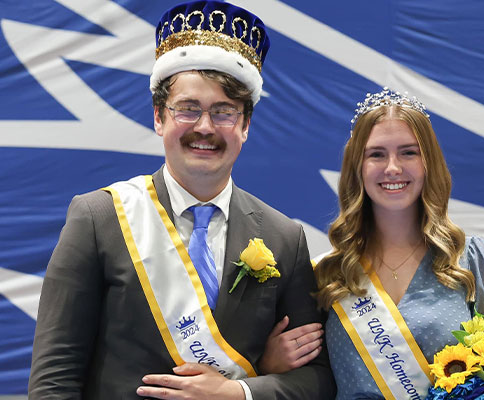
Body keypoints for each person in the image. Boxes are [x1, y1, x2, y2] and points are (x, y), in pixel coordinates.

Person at [28, 1, 335, 399]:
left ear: (245, 125)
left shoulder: (283, 238)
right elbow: (55, 377)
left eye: (224, 112)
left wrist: (238, 392)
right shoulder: (98, 218)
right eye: (188, 109)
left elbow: (318, 381)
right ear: (159, 117)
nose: (205, 128)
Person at [313, 88, 484, 399]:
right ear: (358, 167)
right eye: (376, 154)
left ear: (429, 164)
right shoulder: (328, 273)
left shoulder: (469, 259)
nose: (393, 168)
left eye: (408, 152)